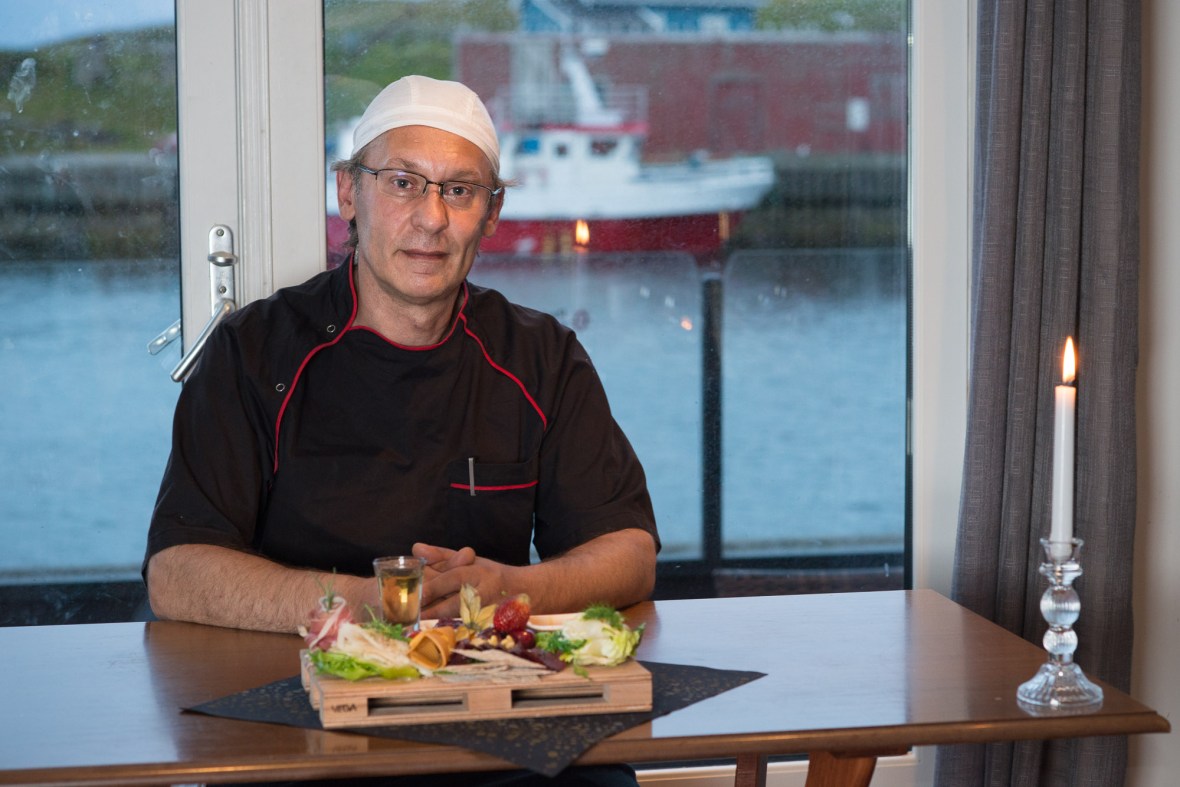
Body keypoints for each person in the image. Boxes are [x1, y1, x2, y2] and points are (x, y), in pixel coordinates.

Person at [144, 75, 658, 787]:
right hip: (304, 732)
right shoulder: (253, 353)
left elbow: (629, 550)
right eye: (403, 183)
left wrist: (515, 590)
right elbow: (176, 573)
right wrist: (372, 606)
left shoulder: (541, 356)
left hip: (496, 727)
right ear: (348, 194)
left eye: (459, 191)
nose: (431, 219)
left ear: (492, 212)